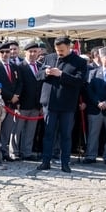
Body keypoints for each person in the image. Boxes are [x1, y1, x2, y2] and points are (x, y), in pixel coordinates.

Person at [37, 36, 88, 173]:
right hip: (49, 103)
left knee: (65, 135)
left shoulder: (80, 62)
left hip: (67, 105)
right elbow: (38, 75)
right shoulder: (49, 58)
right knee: (48, 134)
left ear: (69, 47)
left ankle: (65, 163)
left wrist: (61, 74)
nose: (59, 52)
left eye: (62, 50)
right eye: (57, 49)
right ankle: (45, 161)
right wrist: (46, 73)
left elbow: (80, 81)